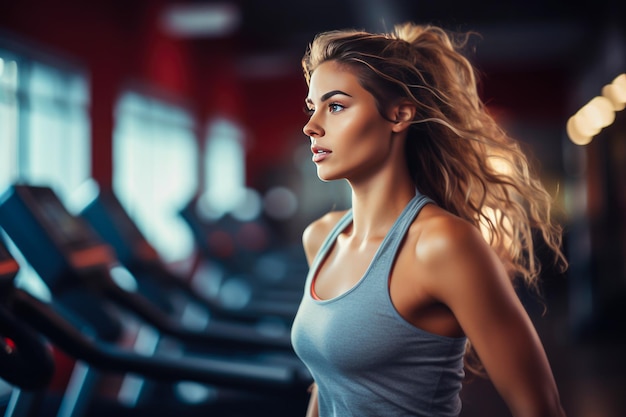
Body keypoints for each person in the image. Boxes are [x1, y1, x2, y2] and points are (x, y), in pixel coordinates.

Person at [290, 22, 568, 417]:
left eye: (335, 106)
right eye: (312, 107)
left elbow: (541, 407)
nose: (311, 125)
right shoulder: (320, 238)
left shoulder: (443, 244)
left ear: (399, 115)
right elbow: (328, 385)